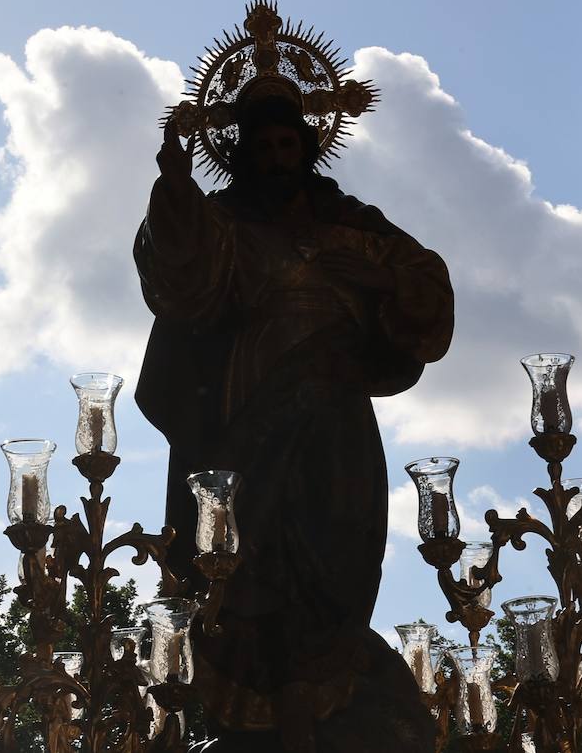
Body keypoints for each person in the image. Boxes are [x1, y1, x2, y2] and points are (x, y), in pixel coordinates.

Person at [136, 84, 453, 751]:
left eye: (288, 144)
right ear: (244, 152)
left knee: (337, 539)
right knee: (250, 552)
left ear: (307, 149)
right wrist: (173, 186)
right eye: (264, 145)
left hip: (337, 407)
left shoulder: (353, 222)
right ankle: (278, 694)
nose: (278, 156)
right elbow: (179, 266)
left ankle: (320, 683)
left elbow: (423, 277)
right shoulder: (225, 221)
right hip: (253, 400)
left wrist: (381, 283)